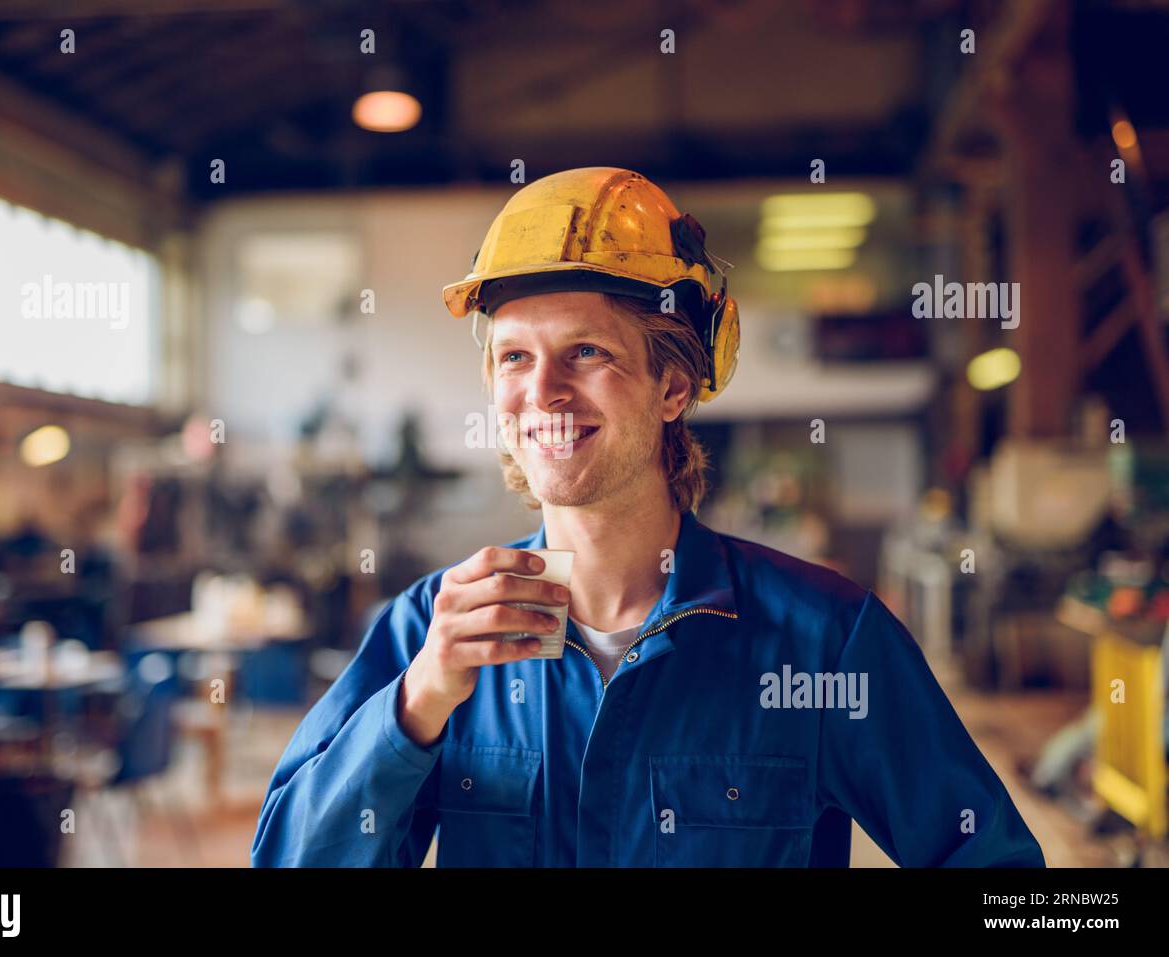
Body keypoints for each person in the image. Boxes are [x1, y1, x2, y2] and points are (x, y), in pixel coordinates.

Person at [252, 167, 1045, 867]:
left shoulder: (823, 642)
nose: (545, 392)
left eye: (587, 352)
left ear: (674, 389)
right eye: (516, 357)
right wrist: (418, 703)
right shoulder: (431, 632)